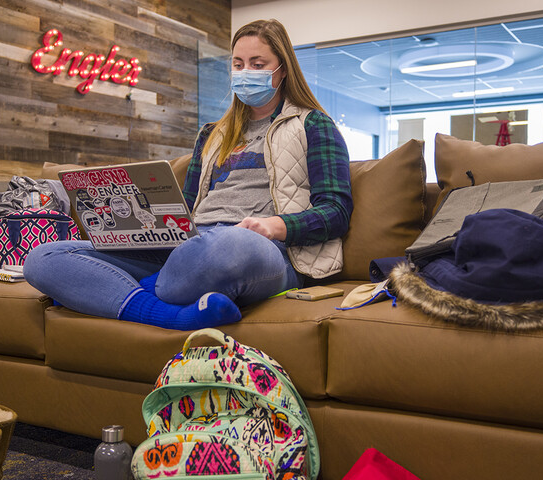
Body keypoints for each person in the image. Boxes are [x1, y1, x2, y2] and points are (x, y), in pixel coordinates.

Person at [24, 19, 352, 330]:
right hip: (190, 248)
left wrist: (274, 226)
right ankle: (166, 313)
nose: (245, 72)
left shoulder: (313, 125)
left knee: (227, 245)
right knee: (44, 257)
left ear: (282, 70)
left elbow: (336, 211)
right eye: (237, 65)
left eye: (258, 63)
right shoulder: (211, 135)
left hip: (263, 249)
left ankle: (109, 289)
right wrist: (144, 224)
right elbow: (187, 208)